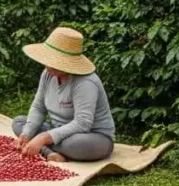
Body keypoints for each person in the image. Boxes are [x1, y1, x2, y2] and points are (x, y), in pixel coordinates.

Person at [12, 27, 115, 163]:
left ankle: (43, 147)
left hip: (92, 137)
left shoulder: (86, 81)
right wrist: (27, 134)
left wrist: (43, 138)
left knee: (76, 144)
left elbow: (82, 123)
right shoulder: (48, 74)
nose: (49, 65)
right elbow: (38, 107)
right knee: (19, 123)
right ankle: (48, 152)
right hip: (58, 130)